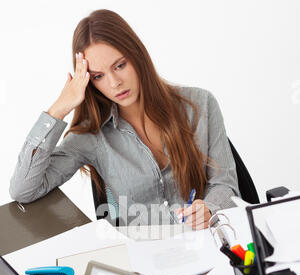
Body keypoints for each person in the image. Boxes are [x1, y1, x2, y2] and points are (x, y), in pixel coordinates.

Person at [9, 9, 240, 230]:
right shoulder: (91, 137)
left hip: (208, 249)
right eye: (98, 76)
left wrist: (209, 209)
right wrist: (58, 109)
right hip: (144, 261)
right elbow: (23, 190)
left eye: (120, 65)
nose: (114, 83)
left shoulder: (199, 104)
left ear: (137, 55)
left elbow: (225, 184)